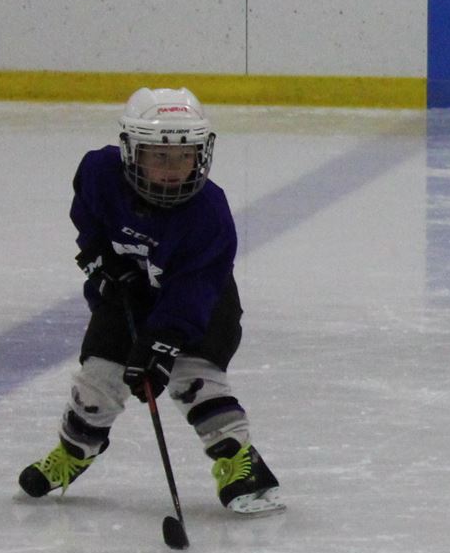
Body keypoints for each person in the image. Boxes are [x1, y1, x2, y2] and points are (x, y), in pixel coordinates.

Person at [17, 88, 284, 516]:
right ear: (130, 152)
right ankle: (74, 451)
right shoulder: (99, 171)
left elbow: (195, 288)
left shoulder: (209, 213)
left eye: (184, 157)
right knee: (98, 380)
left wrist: (162, 344)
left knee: (192, 378)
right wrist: (98, 256)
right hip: (129, 291)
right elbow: (87, 214)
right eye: (159, 157)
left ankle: (240, 462)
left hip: (202, 304)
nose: (172, 170)